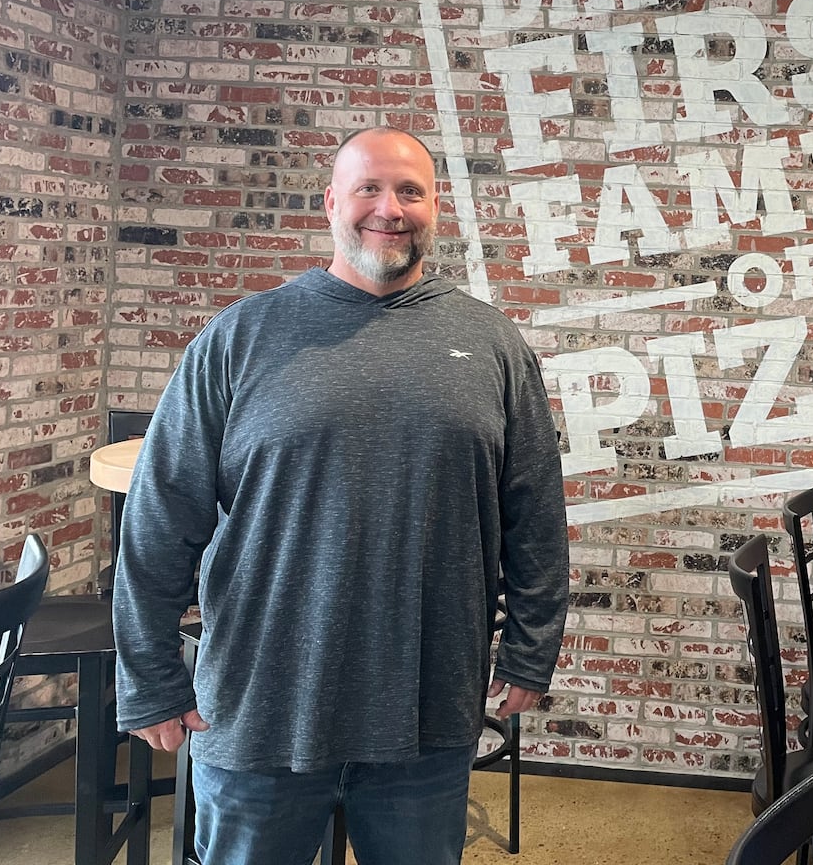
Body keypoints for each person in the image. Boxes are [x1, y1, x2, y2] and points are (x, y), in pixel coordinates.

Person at [113, 126, 570, 865]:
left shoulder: (492, 345)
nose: (389, 209)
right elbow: (162, 515)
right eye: (369, 188)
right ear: (331, 202)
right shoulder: (239, 338)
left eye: (410, 191)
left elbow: (536, 515)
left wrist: (530, 647)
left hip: (426, 716)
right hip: (261, 710)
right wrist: (149, 677)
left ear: (434, 208)